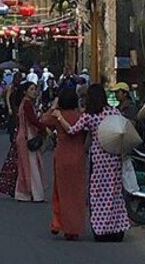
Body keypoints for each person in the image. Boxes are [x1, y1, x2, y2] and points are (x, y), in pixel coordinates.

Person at [53, 84, 131, 242]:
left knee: (98, 194)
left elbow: (72, 130)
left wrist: (60, 117)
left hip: (99, 160)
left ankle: (101, 228)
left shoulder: (89, 116)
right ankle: (117, 228)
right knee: (114, 194)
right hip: (114, 157)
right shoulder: (114, 112)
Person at [41, 88, 86, 240]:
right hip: (78, 156)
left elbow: (42, 120)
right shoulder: (81, 116)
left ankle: (57, 222)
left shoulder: (57, 115)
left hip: (62, 156)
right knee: (77, 193)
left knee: (60, 191)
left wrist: (54, 106)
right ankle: (73, 228)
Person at [14, 81, 48, 202]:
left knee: (25, 165)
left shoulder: (24, 103)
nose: (34, 91)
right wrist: (44, 127)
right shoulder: (27, 104)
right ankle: (36, 194)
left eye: (35, 89)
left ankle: (23, 193)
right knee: (32, 165)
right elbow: (33, 120)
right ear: (25, 91)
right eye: (31, 89)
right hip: (28, 136)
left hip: (23, 135)